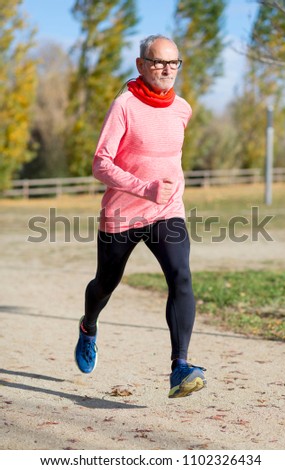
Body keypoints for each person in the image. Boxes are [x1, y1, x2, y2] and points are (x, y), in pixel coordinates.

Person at [75, 34, 206, 398]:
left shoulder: (183, 108)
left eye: (173, 63)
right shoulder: (124, 106)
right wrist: (143, 187)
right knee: (105, 283)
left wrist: (161, 193)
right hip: (122, 213)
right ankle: (88, 327)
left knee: (181, 276)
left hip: (167, 211)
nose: (167, 69)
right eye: (158, 62)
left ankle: (180, 367)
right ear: (141, 65)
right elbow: (100, 164)